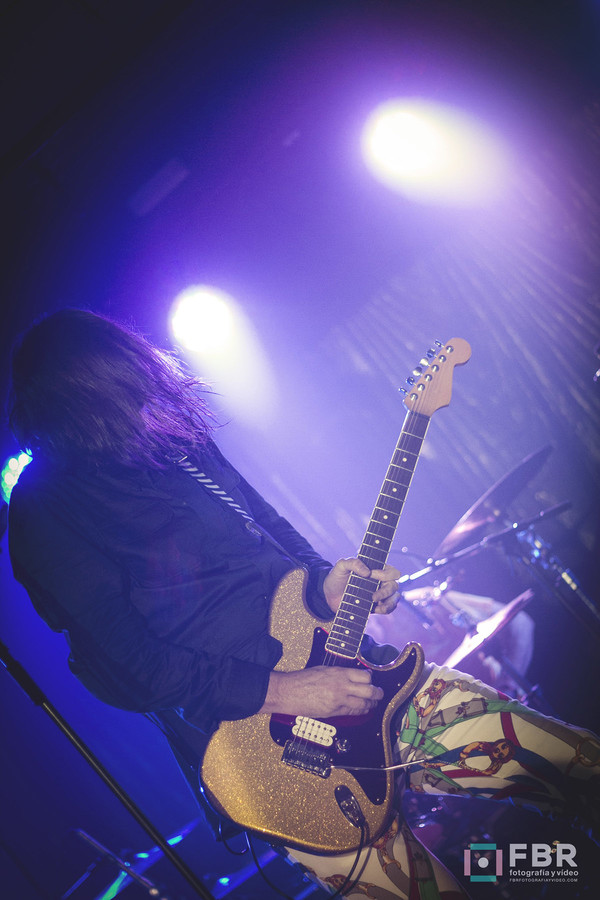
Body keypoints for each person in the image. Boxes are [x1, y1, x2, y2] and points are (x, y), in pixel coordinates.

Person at [7, 309, 600, 899]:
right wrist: (284, 691)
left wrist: (327, 583)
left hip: (366, 679)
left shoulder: (171, 441)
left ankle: (561, 873)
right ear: (90, 388)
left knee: (577, 768)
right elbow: (121, 668)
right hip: (272, 759)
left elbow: (267, 528)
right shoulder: (44, 508)